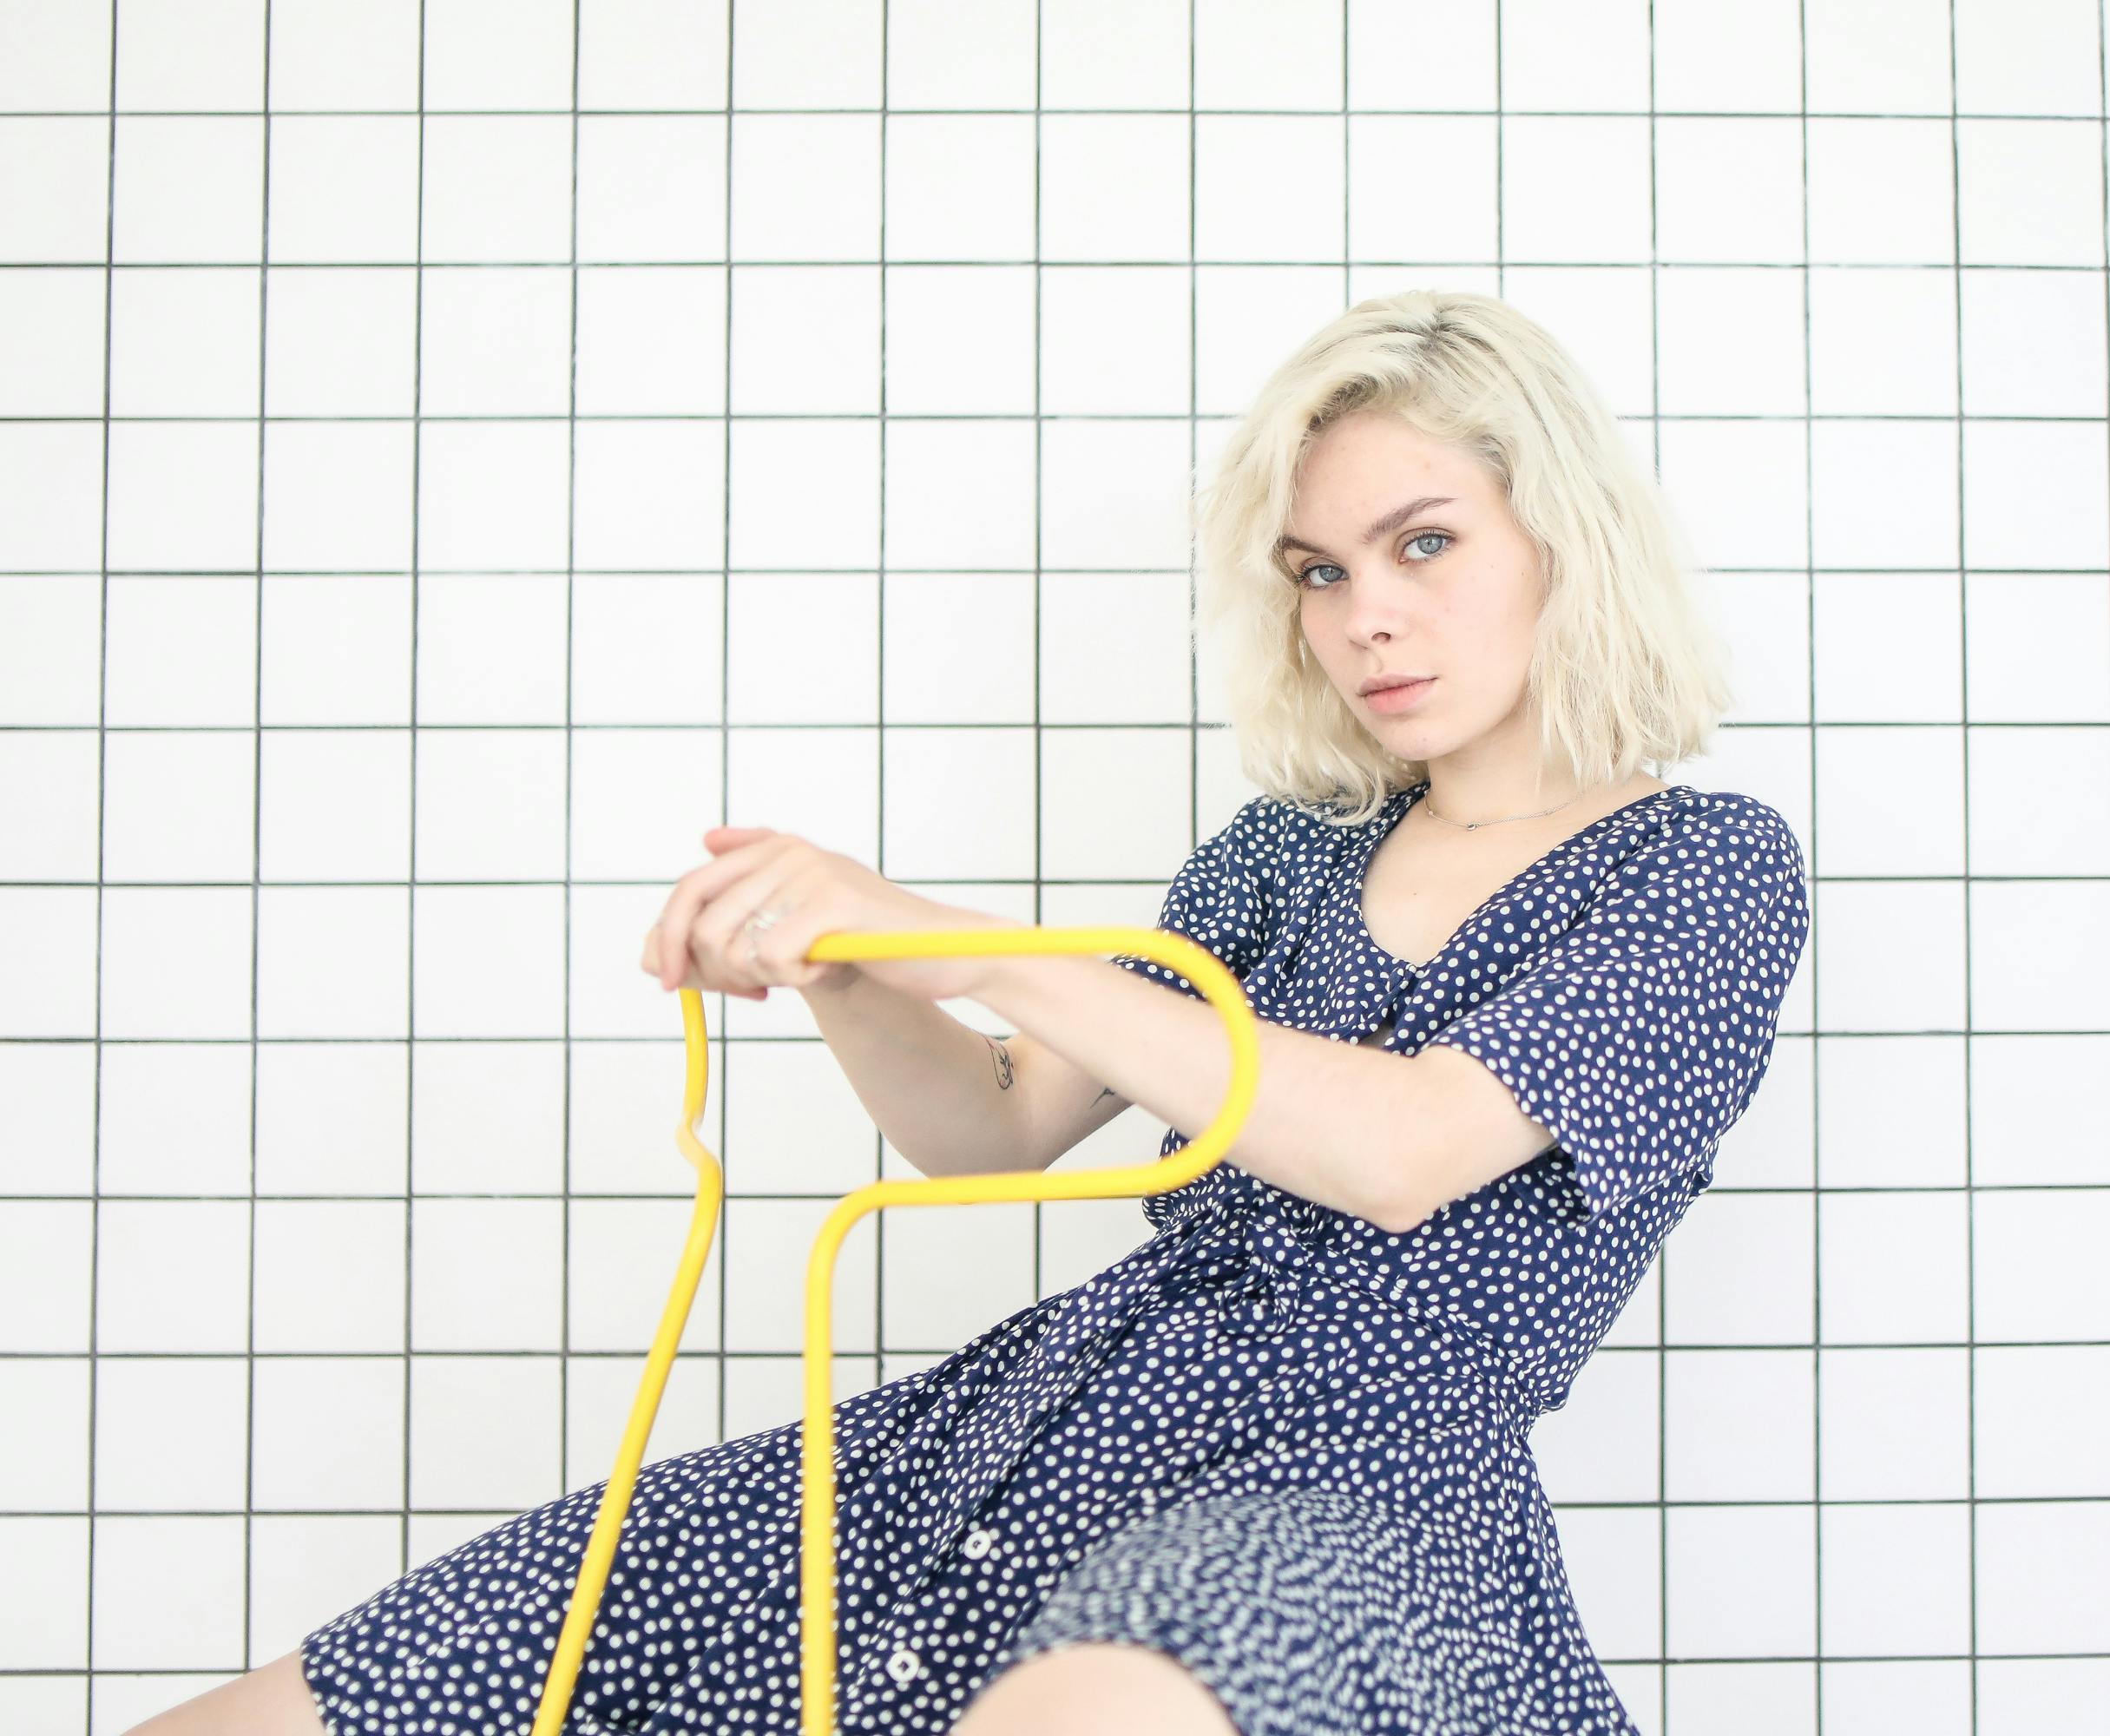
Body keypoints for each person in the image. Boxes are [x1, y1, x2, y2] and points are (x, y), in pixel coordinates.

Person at [126, 289, 1811, 1736]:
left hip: (1355, 1505)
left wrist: (963, 935)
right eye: (1316, 569)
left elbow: (1400, 1149)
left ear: (1563, 534)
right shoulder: (1287, 853)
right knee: (389, 1679)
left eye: (1421, 542)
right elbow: (990, 1125)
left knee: (1128, 1678)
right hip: (1022, 1431)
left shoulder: (1700, 873)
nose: (1362, 614)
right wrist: (849, 965)